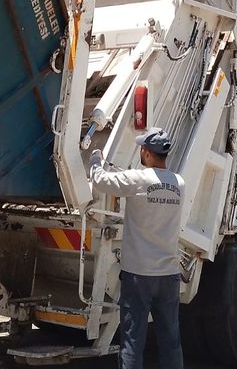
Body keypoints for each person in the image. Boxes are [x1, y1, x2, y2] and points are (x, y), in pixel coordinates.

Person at [88, 127, 184, 369]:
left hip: (139, 276)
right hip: (169, 275)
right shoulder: (180, 184)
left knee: (132, 341)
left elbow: (101, 181)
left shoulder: (138, 179)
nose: (141, 151)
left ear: (148, 154)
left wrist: (96, 160)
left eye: (142, 148)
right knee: (171, 340)